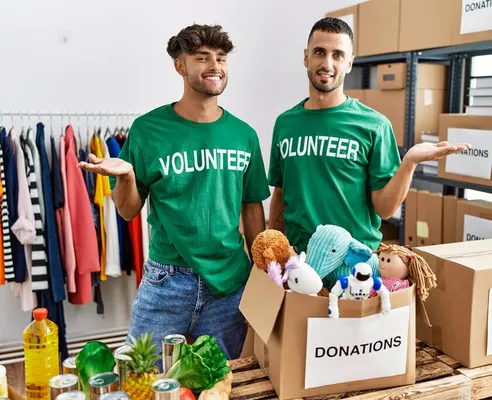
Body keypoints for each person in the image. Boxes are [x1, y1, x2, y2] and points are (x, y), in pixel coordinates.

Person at [78, 24, 270, 361]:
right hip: (166, 281)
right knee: (144, 377)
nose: (215, 66)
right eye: (202, 58)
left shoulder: (244, 135)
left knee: (218, 381)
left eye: (221, 59)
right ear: (180, 66)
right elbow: (126, 211)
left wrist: (261, 272)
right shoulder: (148, 130)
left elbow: (252, 208)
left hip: (229, 281)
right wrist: (127, 177)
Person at [267, 17, 469, 253]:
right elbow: (280, 194)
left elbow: (385, 209)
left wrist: (409, 163)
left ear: (350, 63)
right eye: (319, 52)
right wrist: (276, 252)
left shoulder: (375, 125)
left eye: (338, 55)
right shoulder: (285, 124)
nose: (327, 63)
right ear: (306, 57)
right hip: (299, 263)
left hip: (355, 267)